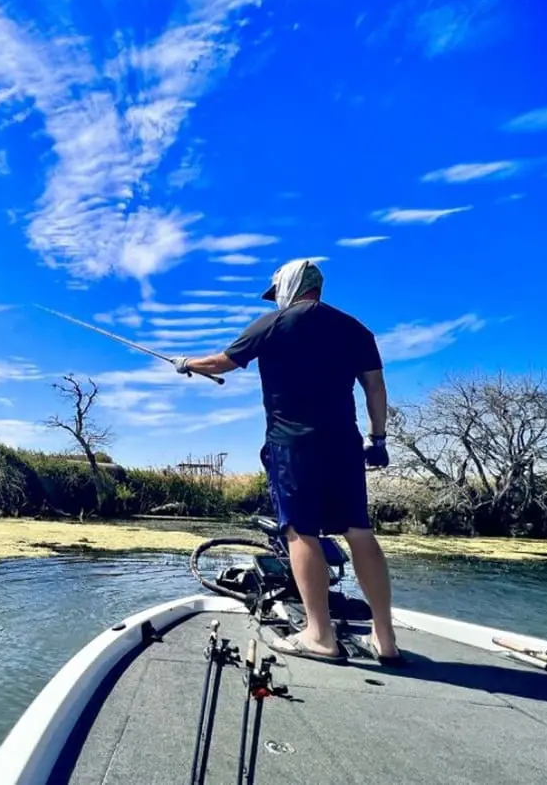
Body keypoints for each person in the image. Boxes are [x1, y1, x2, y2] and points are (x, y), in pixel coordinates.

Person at [171, 257, 401, 665]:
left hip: (293, 445)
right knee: (359, 532)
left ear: (290, 287)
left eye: (277, 292)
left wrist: (186, 364)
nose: (276, 299)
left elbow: (222, 362)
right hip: (345, 444)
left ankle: (319, 636)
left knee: (301, 532)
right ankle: (386, 641)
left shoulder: (273, 324)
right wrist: (377, 438)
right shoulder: (356, 329)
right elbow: (376, 388)